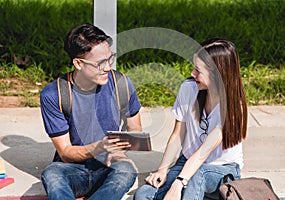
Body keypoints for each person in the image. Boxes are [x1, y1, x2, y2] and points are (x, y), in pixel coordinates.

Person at [134, 38, 247, 200]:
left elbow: (203, 153)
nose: (192, 74)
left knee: (195, 177)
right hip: (186, 162)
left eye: (198, 70)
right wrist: (163, 169)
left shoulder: (233, 108)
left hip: (221, 169)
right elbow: (178, 134)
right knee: (144, 195)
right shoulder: (188, 89)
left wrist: (178, 183)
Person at [40, 23, 142, 200]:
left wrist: (119, 151)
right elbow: (65, 152)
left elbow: (136, 130)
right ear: (78, 63)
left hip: (109, 166)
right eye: (100, 63)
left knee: (126, 170)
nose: (108, 67)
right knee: (52, 174)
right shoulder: (54, 94)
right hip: (73, 169)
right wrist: (99, 147)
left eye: (110, 59)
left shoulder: (122, 84)